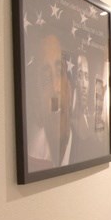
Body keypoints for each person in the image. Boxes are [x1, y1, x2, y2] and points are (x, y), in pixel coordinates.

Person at [27, 33, 73, 172]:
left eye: (60, 72)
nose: (56, 88)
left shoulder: (88, 146)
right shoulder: (32, 154)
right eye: (46, 79)